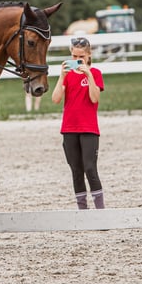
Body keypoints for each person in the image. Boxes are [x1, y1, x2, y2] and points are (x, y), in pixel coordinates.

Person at [51, 36, 105, 209]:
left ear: (88, 55)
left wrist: (88, 74)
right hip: (69, 128)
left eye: (80, 57)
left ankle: (100, 211)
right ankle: (83, 211)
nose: (76, 60)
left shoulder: (95, 73)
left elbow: (94, 98)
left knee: (90, 169)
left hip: (89, 128)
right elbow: (55, 99)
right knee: (76, 171)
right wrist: (61, 77)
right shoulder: (67, 76)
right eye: (73, 56)